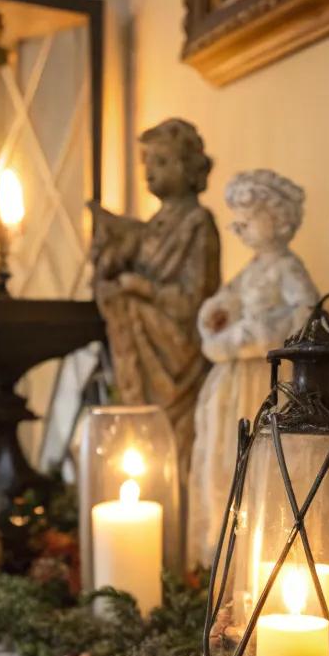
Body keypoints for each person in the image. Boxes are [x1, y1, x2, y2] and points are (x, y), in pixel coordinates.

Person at [187, 168, 318, 569]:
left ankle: (247, 563)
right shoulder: (253, 268)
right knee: (221, 458)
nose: (238, 226)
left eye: (249, 217)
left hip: (259, 379)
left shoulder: (286, 268)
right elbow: (224, 303)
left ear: (278, 220)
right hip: (230, 381)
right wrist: (216, 318)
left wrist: (254, 333)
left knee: (254, 462)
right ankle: (219, 556)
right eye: (236, 220)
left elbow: (306, 312)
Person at [90, 119, 220, 484]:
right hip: (142, 355)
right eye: (147, 161)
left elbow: (196, 299)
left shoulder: (197, 223)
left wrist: (142, 289)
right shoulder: (150, 228)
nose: (150, 171)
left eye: (161, 161)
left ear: (188, 167)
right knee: (141, 445)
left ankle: (177, 529)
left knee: (175, 449)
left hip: (176, 355)